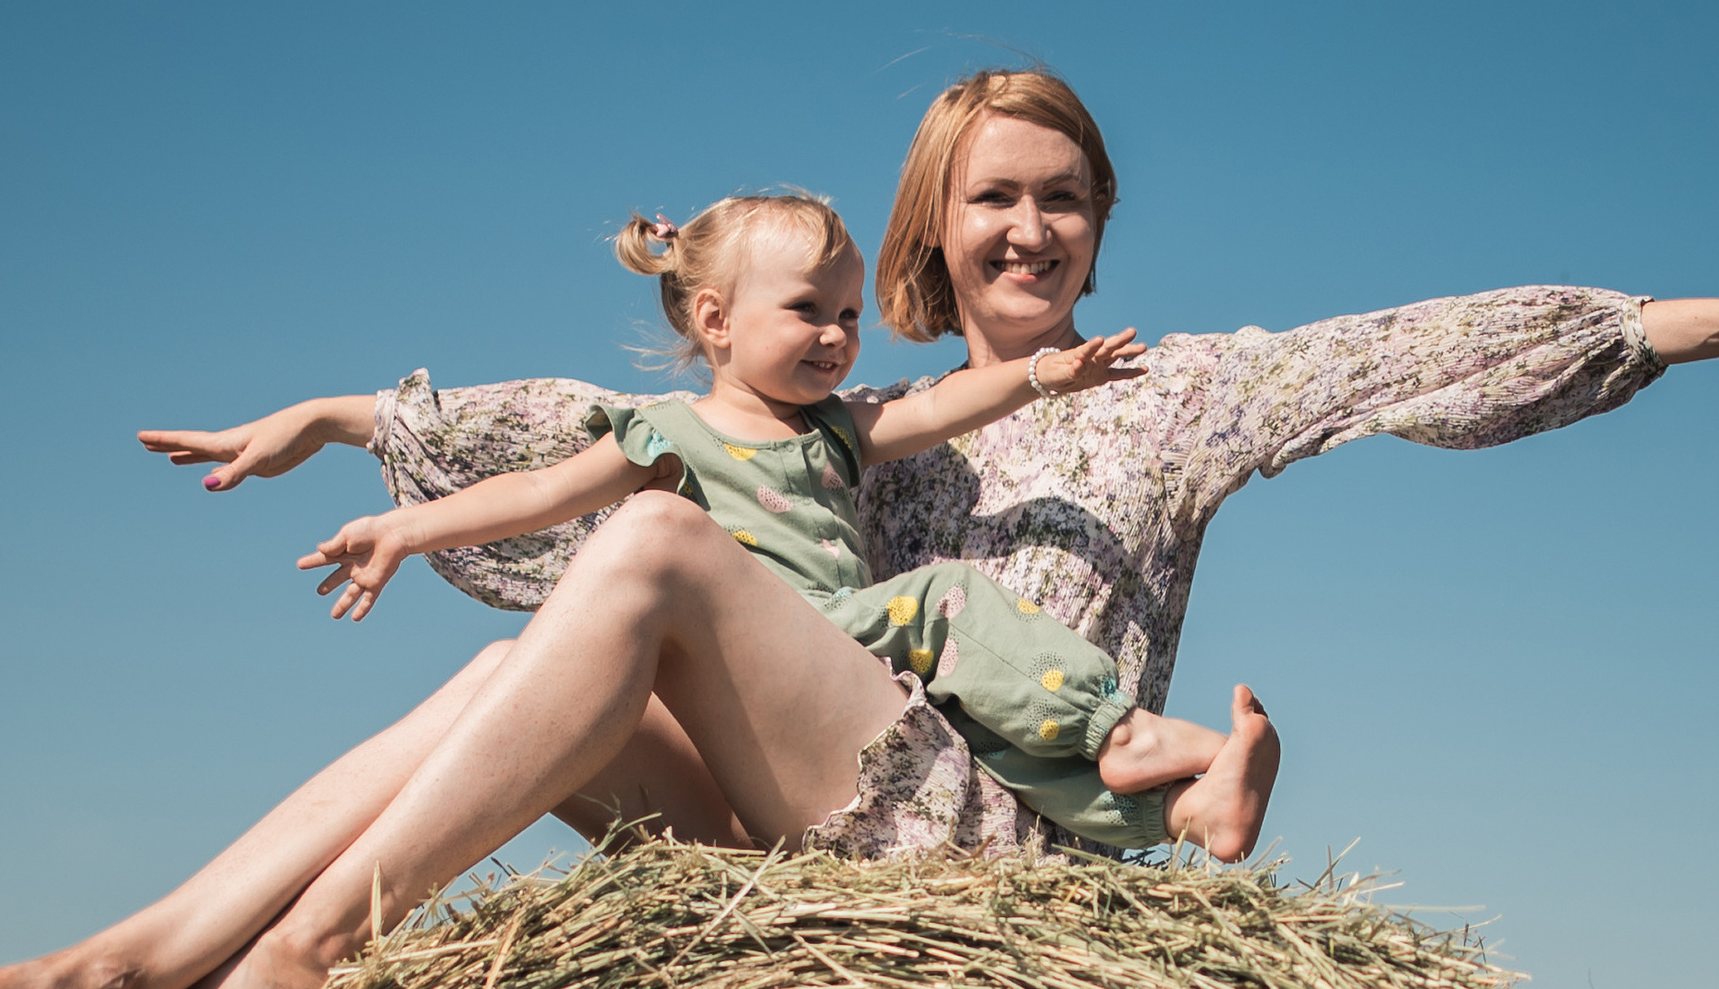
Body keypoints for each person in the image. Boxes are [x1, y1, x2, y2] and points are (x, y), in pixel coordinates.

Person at [0, 67, 1719, 989]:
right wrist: (343, 424)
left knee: (655, 554)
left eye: (1059, 199)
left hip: (993, 861)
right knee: (555, 635)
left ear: (1100, 223)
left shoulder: (1181, 391)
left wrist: (1701, 320)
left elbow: (1409, 347)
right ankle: (119, 982)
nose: (1026, 232)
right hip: (801, 834)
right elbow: (596, 428)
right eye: (989, 206)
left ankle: (278, 976)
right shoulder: (839, 404)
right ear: (931, 238)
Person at [303, 187, 1277, 855]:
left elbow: (941, 407)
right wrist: (406, 528)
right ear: (717, 320)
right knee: (943, 600)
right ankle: (1122, 730)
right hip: (773, 643)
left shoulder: (838, 429)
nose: (837, 337)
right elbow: (532, 493)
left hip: (838, 667)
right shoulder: (665, 433)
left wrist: (1038, 373)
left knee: (989, 732)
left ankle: (1188, 812)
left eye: (850, 317)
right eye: (810, 309)